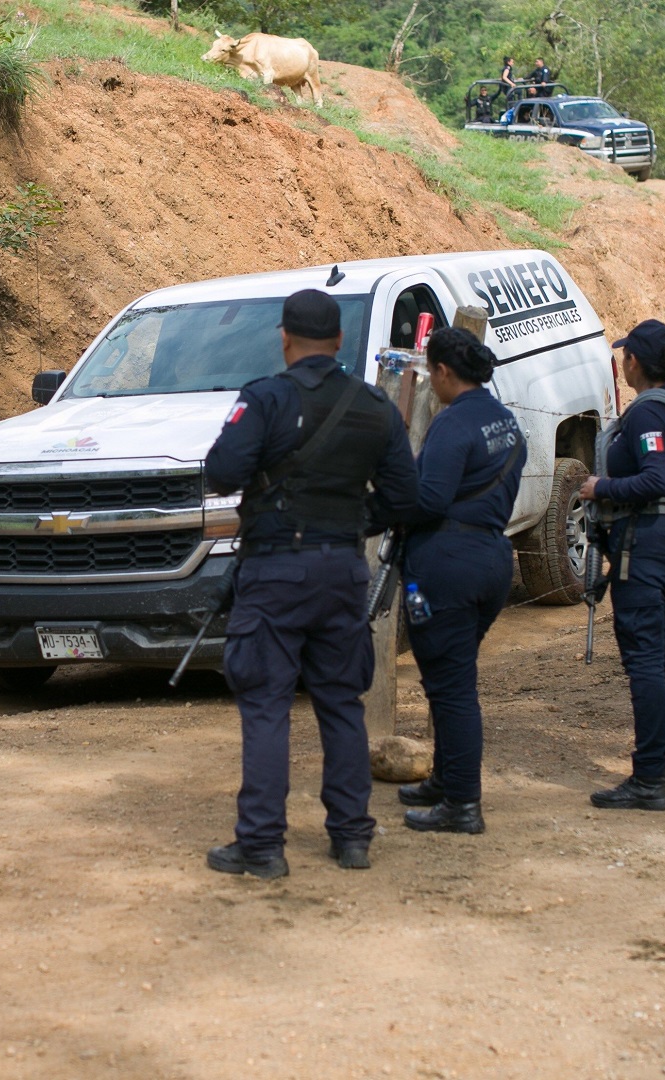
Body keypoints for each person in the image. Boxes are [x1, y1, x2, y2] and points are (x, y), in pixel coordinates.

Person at [202, 289, 419, 878]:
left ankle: (263, 846)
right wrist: (351, 522)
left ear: (284, 336)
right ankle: (352, 838)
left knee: (267, 707)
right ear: (341, 340)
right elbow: (404, 498)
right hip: (342, 570)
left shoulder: (267, 398)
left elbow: (220, 472)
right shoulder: (374, 407)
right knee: (341, 703)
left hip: (275, 569)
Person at [394, 328, 523, 835]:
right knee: (450, 678)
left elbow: (428, 500)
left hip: (447, 563)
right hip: (490, 558)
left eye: (432, 373)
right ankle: (445, 782)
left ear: (444, 373)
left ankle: (463, 804)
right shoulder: (506, 422)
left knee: (451, 688)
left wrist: (386, 503)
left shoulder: (452, 424)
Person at [579, 320, 665, 811]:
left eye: (625, 354)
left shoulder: (649, 413)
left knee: (648, 661)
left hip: (646, 549)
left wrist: (599, 489)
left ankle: (649, 777)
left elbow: (654, 479)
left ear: (633, 362)